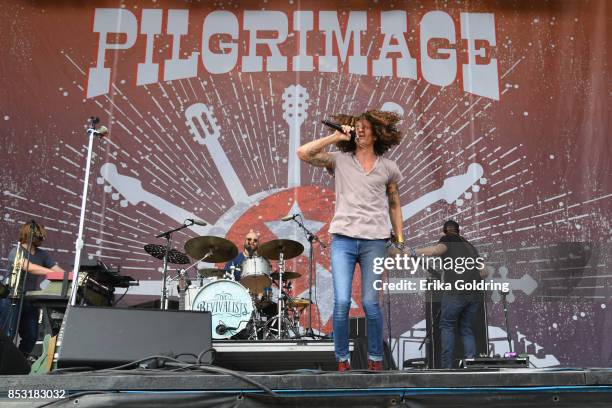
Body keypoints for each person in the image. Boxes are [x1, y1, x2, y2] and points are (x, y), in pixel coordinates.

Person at [297, 110, 404, 371]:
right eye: (357, 127)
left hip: (375, 242)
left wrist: (399, 240)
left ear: (377, 133)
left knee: (370, 303)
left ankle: (376, 360)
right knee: (342, 302)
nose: (361, 130)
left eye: (366, 127)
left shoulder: (389, 168)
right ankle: (342, 359)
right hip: (344, 240)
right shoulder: (340, 160)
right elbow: (303, 153)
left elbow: (394, 203)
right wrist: (333, 136)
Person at [408, 220, 488, 368]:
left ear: (445, 231)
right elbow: (484, 272)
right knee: (466, 327)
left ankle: (446, 368)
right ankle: (470, 364)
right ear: (459, 231)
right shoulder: (470, 246)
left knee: (447, 325)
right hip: (475, 293)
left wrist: (413, 252)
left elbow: (435, 251)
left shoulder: (448, 239)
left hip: (456, 292)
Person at [0, 221, 65, 357]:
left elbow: (58, 271)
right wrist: (51, 272)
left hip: (30, 300)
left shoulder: (43, 254)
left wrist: (69, 275)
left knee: (31, 336)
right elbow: (28, 266)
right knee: (8, 334)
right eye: (40, 236)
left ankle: (19, 362)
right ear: (30, 235)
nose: (42, 239)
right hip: (12, 298)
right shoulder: (16, 251)